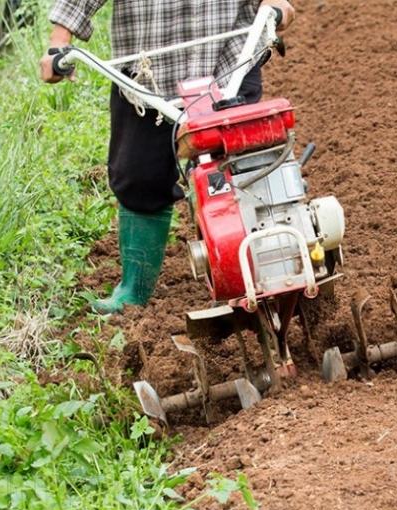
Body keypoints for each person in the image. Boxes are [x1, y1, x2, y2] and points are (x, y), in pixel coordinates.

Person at [39, 0, 294, 313]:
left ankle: (268, 268)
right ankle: (133, 292)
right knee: (139, 176)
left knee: (244, 169)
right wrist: (58, 44)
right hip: (149, 74)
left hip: (230, 62)